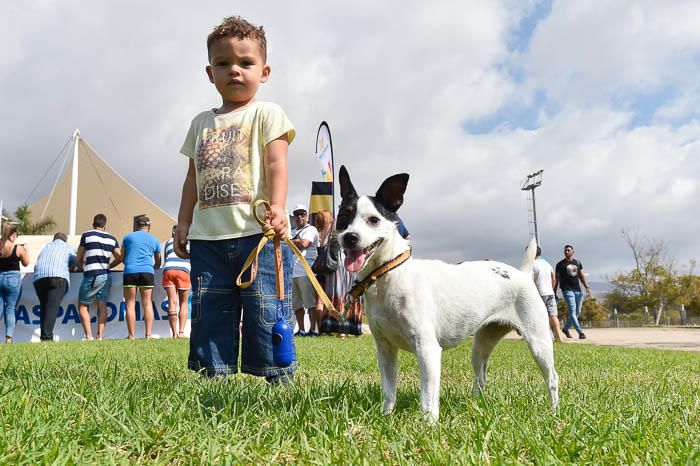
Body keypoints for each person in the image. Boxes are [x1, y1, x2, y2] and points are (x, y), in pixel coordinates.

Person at [173, 16, 296, 383]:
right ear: (210, 73)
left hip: (257, 238)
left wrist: (277, 206)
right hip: (209, 239)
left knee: (265, 308)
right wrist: (183, 222)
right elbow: (191, 178)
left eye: (246, 63)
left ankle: (277, 376)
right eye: (223, 64)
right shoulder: (200, 123)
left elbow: (277, 162)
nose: (235, 71)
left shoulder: (267, 113)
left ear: (265, 70)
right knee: (210, 309)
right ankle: (214, 375)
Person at [77, 214, 121, 340]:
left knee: (83, 306)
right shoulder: (112, 238)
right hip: (106, 275)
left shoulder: (87, 235)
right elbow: (120, 257)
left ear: (93, 224)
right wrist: (110, 265)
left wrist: (80, 267)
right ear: (105, 226)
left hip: (91, 274)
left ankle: (88, 335)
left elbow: (79, 256)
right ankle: (99, 336)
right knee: (102, 305)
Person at [122, 216, 161, 339]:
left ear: (136, 225)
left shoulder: (128, 237)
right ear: (148, 226)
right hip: (147, 271)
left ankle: (131, 335)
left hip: (130, 270)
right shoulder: (154, 239)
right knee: (147, 303)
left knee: (130, 303)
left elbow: (122, 257)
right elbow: (158, 261)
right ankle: (148, 334)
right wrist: (154, 266)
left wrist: (129, 264)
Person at [33, 233, 77, 341]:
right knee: (51, 308)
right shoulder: (68, 247)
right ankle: (47, 338)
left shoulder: (46, 247)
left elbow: (37, 262)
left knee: (44, 308)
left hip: (39, 277)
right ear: (65, 240)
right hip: (57, 277)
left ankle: (44, 336)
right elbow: (74, 263)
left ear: (54, 239)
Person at [290, 204, 319, 336]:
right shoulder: (292, 231)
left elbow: (304, 244)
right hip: (292, 272)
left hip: (306, 271)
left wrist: (289, 241)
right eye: (297, 214)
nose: (299, 216)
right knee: (297, 304)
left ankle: (312, 329)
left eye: (302, 214)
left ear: (307, 216)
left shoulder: (311, 229)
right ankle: (301, 329)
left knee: (310, 303)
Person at [554, 244, 591, 340]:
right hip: (567, 290)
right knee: (572, 311)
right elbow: (556, 279)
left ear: (572, 251)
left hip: (578, 290)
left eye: (568, 250)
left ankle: (565, 328)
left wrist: (587, 287)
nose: (566, 252)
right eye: (565, 250)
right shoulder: (560, 264)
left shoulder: (577, 262)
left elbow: (581, 276)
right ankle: (580, 332)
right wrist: (554, 291)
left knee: (577, 312)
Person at [0, 223, 30, 343]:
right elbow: (26, 263)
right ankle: (8, 338)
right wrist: (26, 250)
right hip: (13, 279)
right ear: (12, 235)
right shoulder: (18, 248)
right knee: (10, 309)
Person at [162, 225, 191, 338]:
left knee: (172, 302)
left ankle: (174, 333)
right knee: (183, 303)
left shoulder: (169, 242)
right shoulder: (189, 242)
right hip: (183, 270)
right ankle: (181, 332)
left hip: (169, 269)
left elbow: (165, 258)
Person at [532, 246, 563, 342]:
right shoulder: (547, 264)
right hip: (550, 293)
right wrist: (551, 289)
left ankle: (540, 338)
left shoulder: (532, 264)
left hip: (539, 293)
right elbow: (554, 279)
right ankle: (559, 337)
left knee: (538, 316)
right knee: (553, 315)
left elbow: (531, 280)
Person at [312, 210, 336, 333]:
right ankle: (330, 328)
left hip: (319, 268)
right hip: (330, 270)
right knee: (331, 300)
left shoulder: (317, 232)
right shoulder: (331, 231)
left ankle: (320, 328)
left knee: (319, 301)